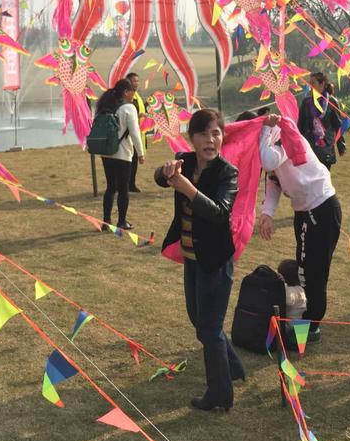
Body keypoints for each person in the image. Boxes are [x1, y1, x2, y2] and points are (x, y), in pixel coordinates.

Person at [155, 108, 245, 411]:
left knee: (208, 328)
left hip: (216, 260)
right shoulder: (187, 161)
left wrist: (187, 188)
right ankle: (232, 367)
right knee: (201, 321)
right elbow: (159, 177)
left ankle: (220, 395)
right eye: (204, 133)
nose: (211, 139)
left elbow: (220, 212)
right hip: (193, 258)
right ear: (192, 138)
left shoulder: (227, 173)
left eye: (216, 132)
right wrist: (167, 171)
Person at [258, 113, 342, 342]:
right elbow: (273, 180)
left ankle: (311, 325)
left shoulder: (285, 138)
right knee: (304, 266)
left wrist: (264, 130)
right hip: (305, 210)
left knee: (314, 270)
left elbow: (268, 161)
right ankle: (305, 319)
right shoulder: (271, 145)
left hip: (321, 208)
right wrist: (267, 214)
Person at [95, 78, 144, 231]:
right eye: (132, 91)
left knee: (110, 187)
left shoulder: (106, 105)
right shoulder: (128, 108)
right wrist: (140, 153)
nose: (134, 95)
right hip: (122, 154)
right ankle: (122, 221)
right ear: (125, 92)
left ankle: (106, 221)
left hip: (106, 152)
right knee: (123, 188)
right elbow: (135, 133)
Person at [297, 72, 345, 171]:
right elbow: (300, 126)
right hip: (309, 147)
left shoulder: (332, 102)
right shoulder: (306, 102)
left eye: (313, 83)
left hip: (325, 148)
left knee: (323, 180)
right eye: (309, 83)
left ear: (322, 84)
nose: (310, 85)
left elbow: (338, 126)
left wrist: (341, 145)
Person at [126, 71, 145, 193]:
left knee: (134, 160)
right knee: (127, 160)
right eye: (133, 81)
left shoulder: (137, 96)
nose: (136, 83)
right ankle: (124, 184)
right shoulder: (125, 96)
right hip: (127, 134)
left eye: (137, 81)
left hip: (137, 132)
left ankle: (131, 184)